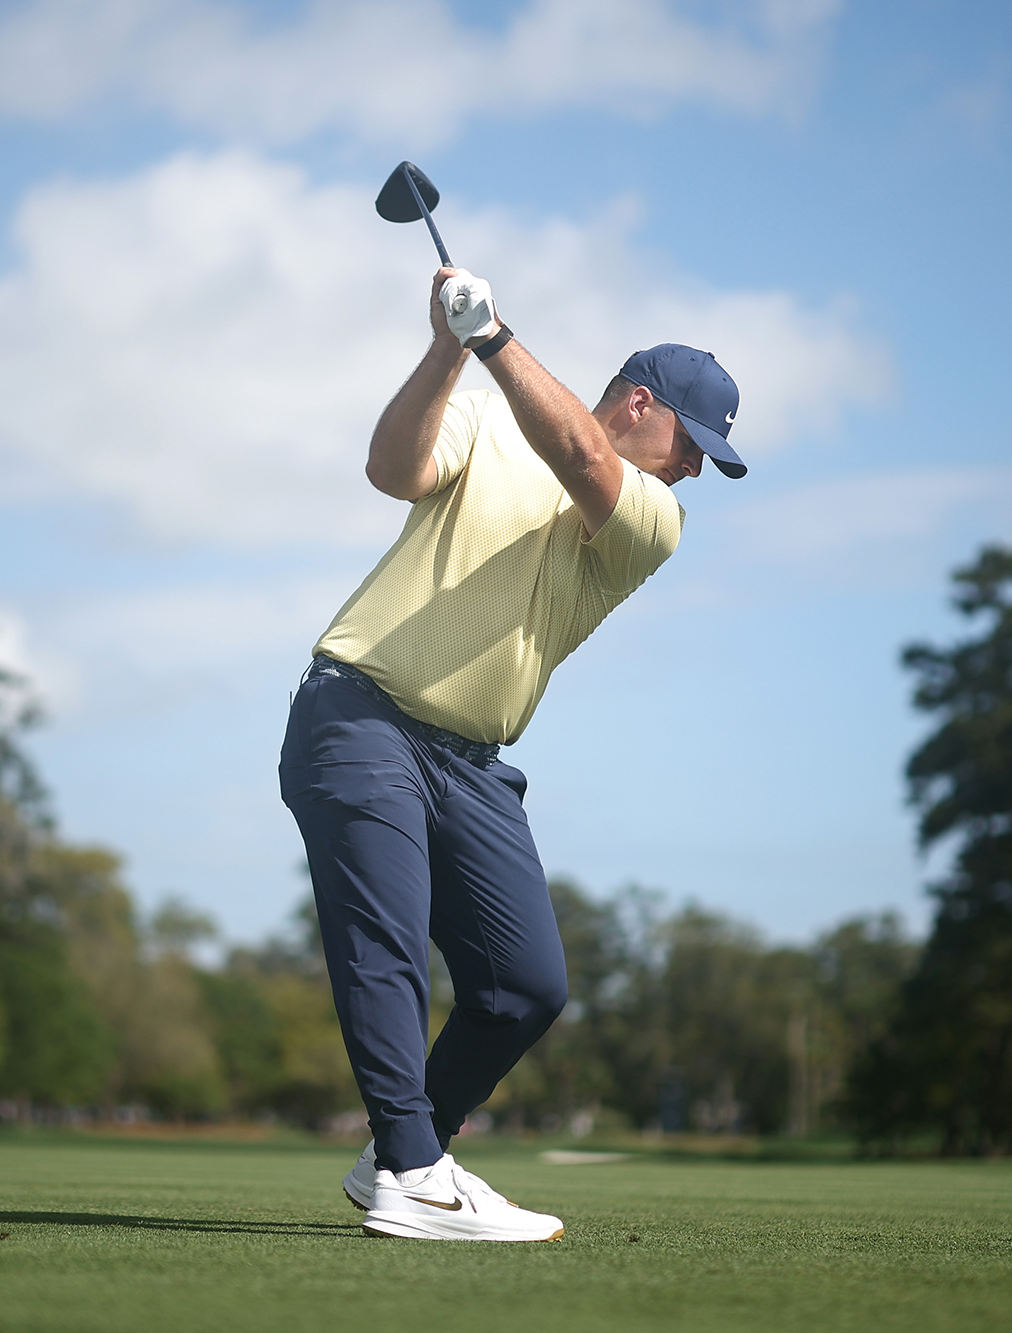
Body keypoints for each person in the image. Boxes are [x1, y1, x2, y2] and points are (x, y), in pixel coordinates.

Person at [279, 264, 746, 1242]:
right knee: (390, 940)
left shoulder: (652, 519)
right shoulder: (486, 426)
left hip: (471, 766)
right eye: (692, 444)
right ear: (639, 402)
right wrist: (447, 351)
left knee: (524, 984)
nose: (697, 467)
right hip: (358, 718)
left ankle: (404, 1154)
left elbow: (576, 450)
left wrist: (491, 336)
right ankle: (412, 1168)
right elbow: (393, 470)